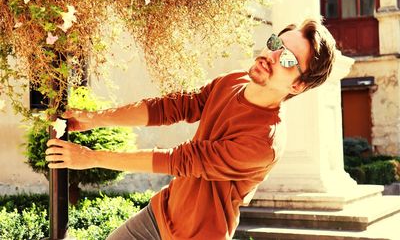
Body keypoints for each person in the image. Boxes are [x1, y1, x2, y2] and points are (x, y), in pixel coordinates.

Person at [45, 18, 337, 240]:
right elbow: (172, 108)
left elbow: (180, 160)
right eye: (275, 43)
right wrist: (94, 118)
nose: (271, 55)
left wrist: (90, 158)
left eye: (287, 59)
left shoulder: (264, 142)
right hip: (160, 214)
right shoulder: (232, 81)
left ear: (298, 85)